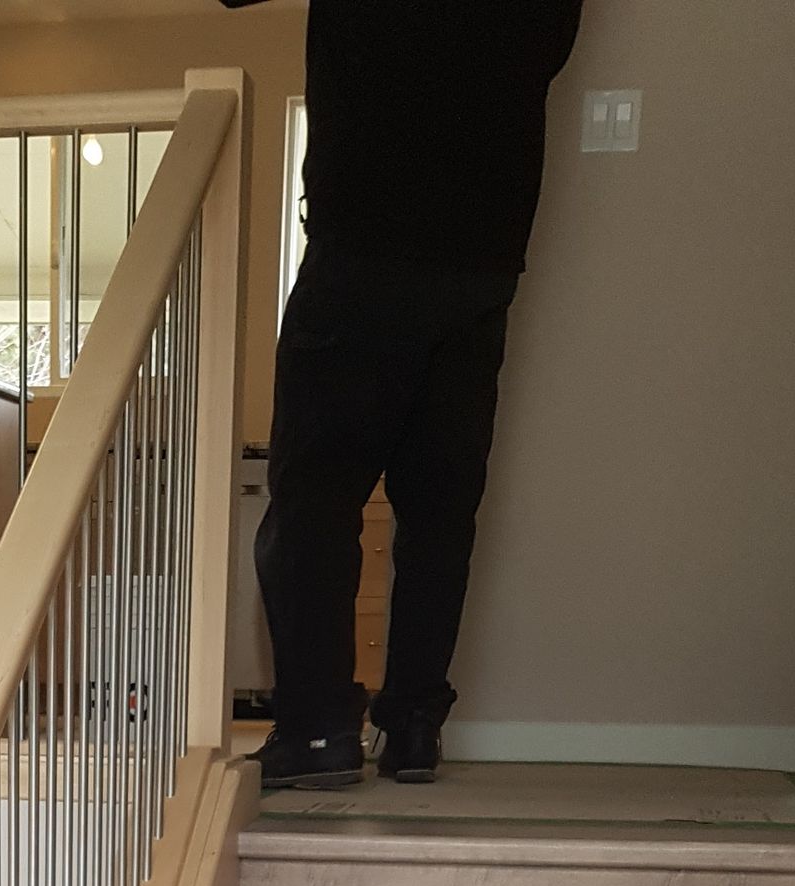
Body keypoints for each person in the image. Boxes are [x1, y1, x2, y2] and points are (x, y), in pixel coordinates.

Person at [225, 0, 584, 787]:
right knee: (440, 507)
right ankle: (414, 725)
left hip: (366, 239)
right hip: (483, 259)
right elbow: (547, 47)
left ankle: (320, 732)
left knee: (315, 497)